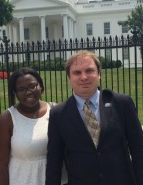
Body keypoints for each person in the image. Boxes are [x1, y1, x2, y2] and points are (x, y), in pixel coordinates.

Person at [46, 50, 143, 185]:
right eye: (77, 72)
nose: (84, 77)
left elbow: (138, 149)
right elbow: (54, 162)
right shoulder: (58, 114)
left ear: (99, 74)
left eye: (89, 71)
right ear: (69, 78)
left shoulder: (122, 103)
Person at [0, 67, 66, 185]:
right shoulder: (7, 119)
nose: (28, 92)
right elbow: (1, 166)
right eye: (21, 89)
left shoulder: (55, 111)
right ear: (15, 93)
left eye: (32, 86)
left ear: (40, 86)